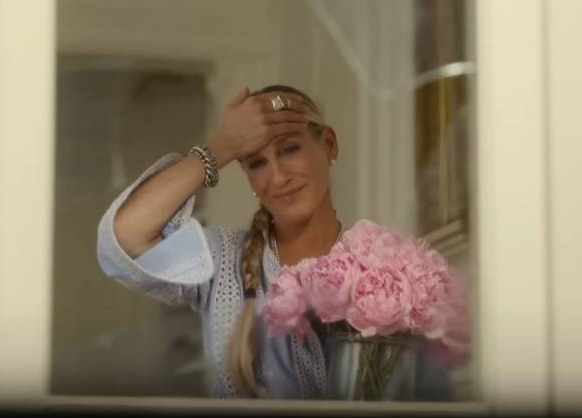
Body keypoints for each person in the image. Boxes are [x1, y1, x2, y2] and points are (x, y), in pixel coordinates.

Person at [96, 84, 454, 399]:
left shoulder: (390, 277)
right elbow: (126, 239)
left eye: (289, 149)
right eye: (257, 163)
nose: (278, 177)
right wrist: (224, 146)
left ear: (329, 145)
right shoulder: (222, 262)